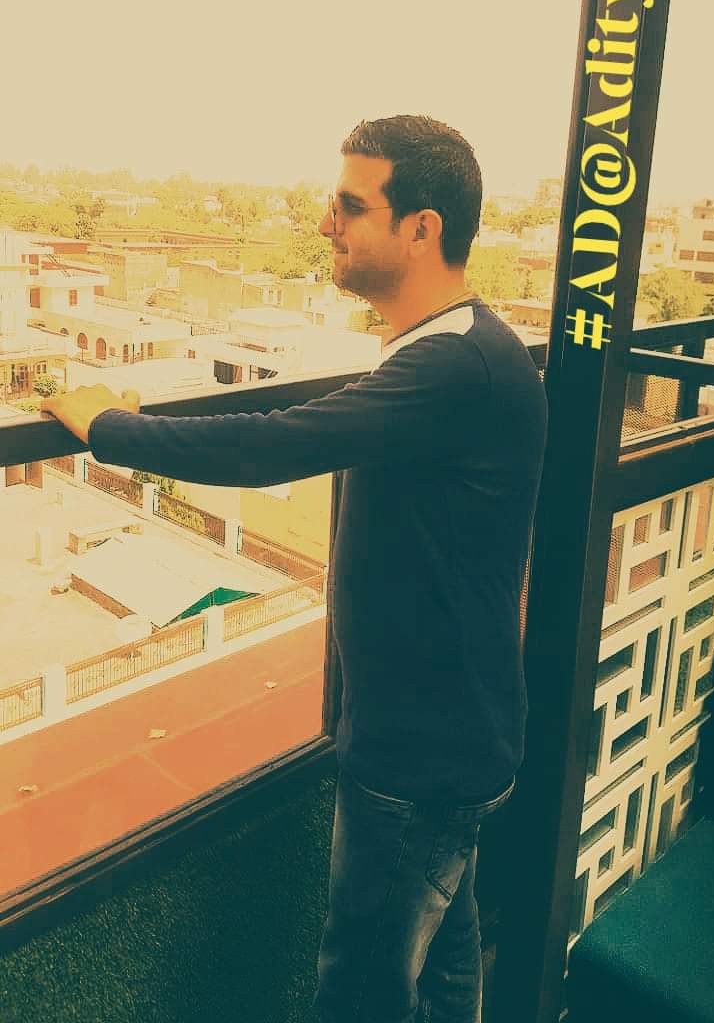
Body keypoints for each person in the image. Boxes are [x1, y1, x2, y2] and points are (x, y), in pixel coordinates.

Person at [42, 114, 548, 1023]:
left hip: (419, 762)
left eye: (350, 205)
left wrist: (107, 425)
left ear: (421, 228)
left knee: (362, 992)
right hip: (454, 742)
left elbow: (272, 444)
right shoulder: (457, 348)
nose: (325, 223)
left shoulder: (457, 365)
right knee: (444, 969)